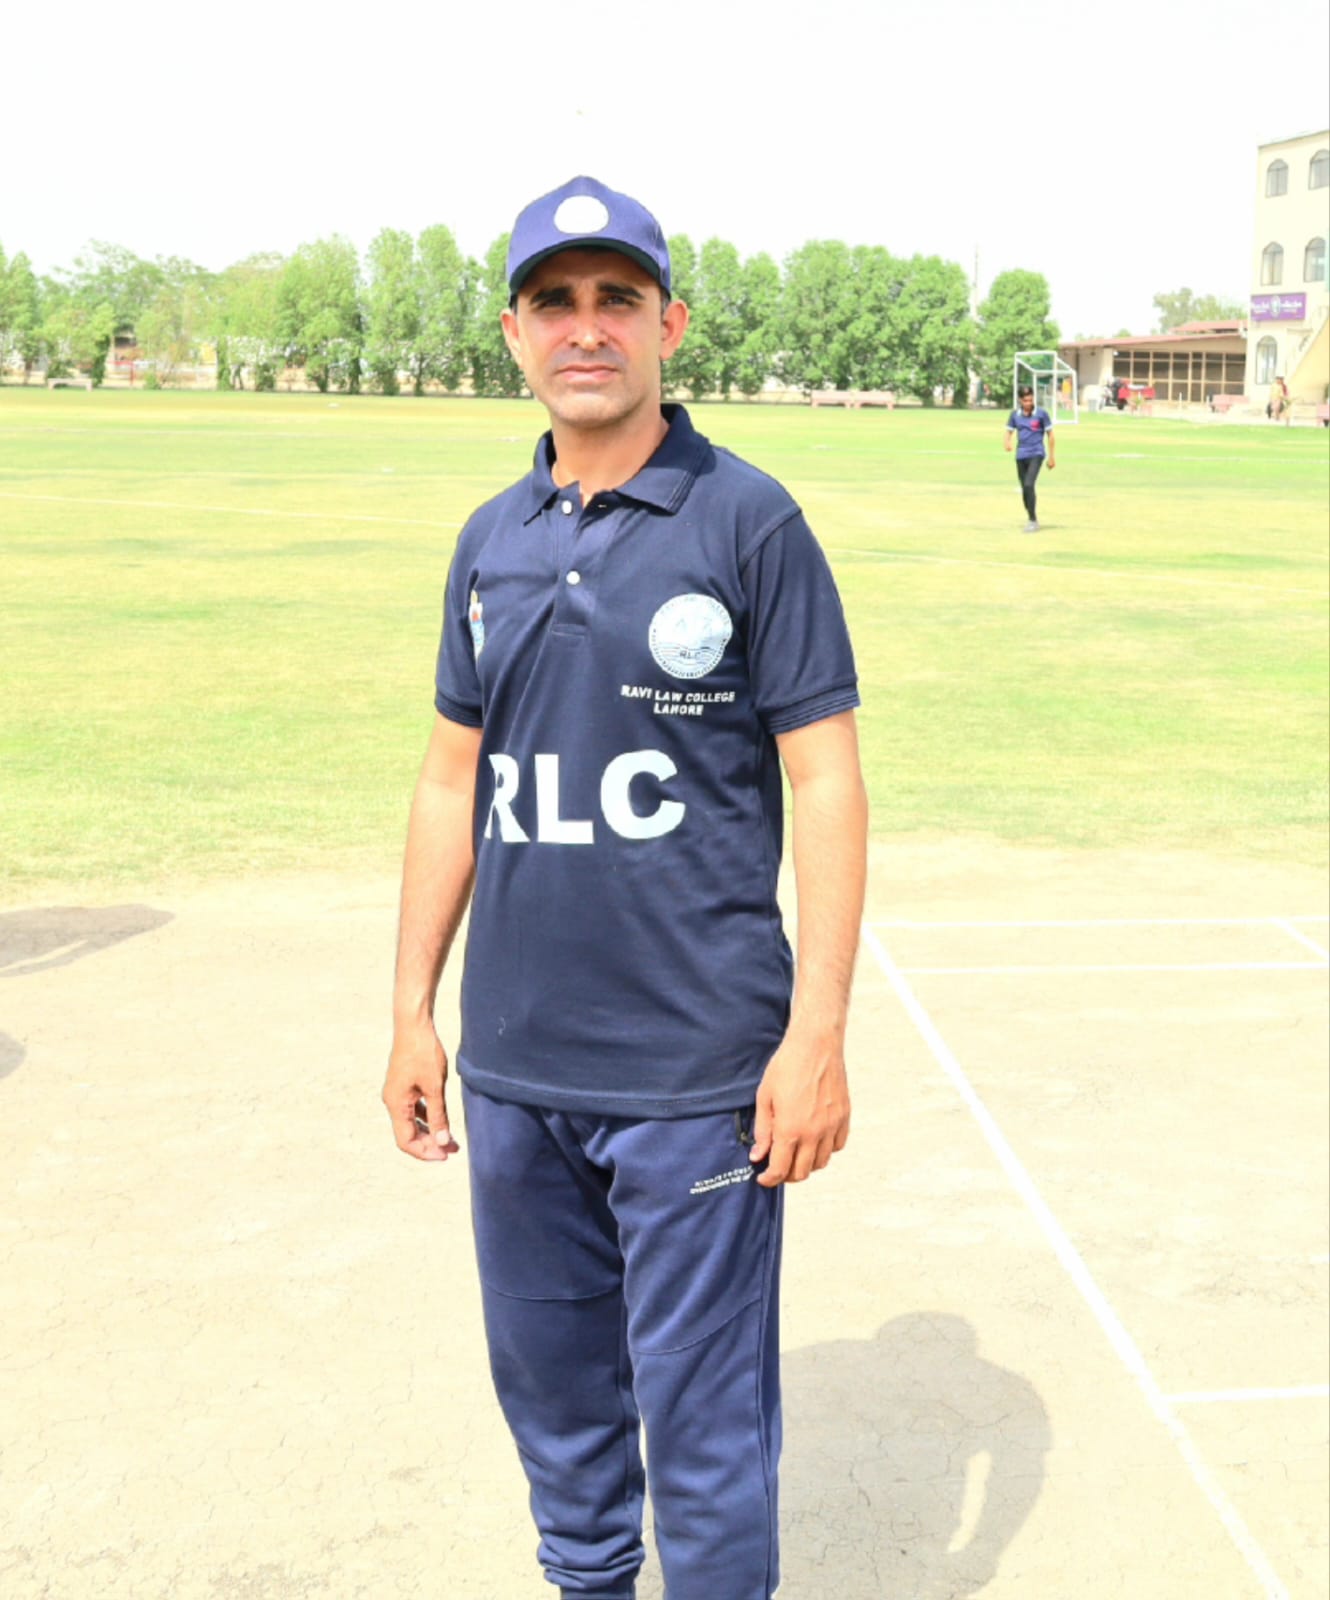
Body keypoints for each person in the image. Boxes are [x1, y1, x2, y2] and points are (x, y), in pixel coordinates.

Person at [381, 175, 868, 1600]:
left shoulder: (748, 522)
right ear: (514, 334)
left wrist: (816, 1034)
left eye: (616, 300)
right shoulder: (491, 539)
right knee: (558, 1413)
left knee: (705, 1443)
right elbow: (448, 783)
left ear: (670, 325)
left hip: (695, 1078)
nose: (583, 328)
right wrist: (412, 1013)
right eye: (553, 303)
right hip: (517, 1070)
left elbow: (826, 783)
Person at [1004, 383, 1055, 531]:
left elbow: (1051, 435)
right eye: (1025, 400)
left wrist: (1051, 457)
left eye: (1030, 400)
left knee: (1028, 484)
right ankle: (1030, 515)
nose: (1028, 403)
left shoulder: (1041, 414)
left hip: (1036, 453)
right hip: (1021, 455)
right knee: (1025, 489)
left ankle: (1033, 520)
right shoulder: (1015, 415)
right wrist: (1007, 442)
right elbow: (1008, 431)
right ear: (1020, 400)